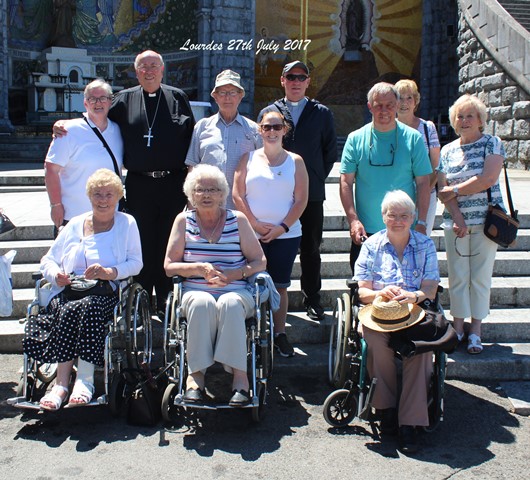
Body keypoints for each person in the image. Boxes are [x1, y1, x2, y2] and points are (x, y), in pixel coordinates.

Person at [54, 50, 195, 315]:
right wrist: (64, 123)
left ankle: (166, 299)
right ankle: (140, 300)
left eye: (154, 66)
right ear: (136, 71)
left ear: (163, 70)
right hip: (140, 185)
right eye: (143, 67)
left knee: (169, 240)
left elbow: (192, 141)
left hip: (173, 184)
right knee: (140, 241)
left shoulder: (177, 97)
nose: (149, 71)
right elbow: (96, 119)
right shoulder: (122, 100)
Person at [23, 169, 143, 410]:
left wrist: (110, 272)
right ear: (89, 197)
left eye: (109, 194)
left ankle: (75, 382)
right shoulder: (76, 223)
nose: (103, 199)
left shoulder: (126, 223)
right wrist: (55, 275)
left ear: (118, 196)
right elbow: (48, 259)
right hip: (69, 290)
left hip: (104, 292)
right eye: (97, 194)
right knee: (69, 307)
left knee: (84, 307)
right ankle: (67, 384)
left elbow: (136, 263)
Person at [164, 165, 266, 406]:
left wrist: (235, 274)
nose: (206, 195)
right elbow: (169, 265)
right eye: (200, 190)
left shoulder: (237, 220)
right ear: (191, 194)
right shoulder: (183, 221)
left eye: (213, 189)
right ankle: (195, 377)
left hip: (237, 289)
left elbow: (260, 260)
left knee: (229, 303)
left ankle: (240, 379)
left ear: (223, 194)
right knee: (202, 303)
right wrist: (199, 269)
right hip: (194, 290)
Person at [355, 190, 440, 454]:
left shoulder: (425, 245)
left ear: (413, 217)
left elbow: (431, 287)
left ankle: (410, 422)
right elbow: (362, 291)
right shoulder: (372, 245)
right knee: (375, 342)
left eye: (404, 215)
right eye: (393, 215)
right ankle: (386, 408)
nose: (398, 220)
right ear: (383, 217)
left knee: (422, 351)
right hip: (380, 314)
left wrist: (413, 295)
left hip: (414, 314)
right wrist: (380, 293)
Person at [258, 60, 337, 321]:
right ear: (282, 81)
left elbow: (329, 152)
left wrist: (312, 179)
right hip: (277, 196)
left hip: (310, 195)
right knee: (271, 245)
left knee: (311, 248)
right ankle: (267, 298)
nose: (295, 81)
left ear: (307, 82)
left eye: (301, 77)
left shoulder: (322, 112)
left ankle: (311, 297)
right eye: (290, 77)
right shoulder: (271, 112)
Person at [233, 111, 309, 358]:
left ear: (284, 130)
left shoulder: (295, 161)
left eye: (277, 126)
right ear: (260, 130)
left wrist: (282, 227)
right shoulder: (248, 158)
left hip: (285, 236)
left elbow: (301, 200)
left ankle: (279, 334)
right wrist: (253, 224)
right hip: (250, 235)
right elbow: (237, 194)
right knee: (247, 284)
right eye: (267, 127)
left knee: (280, 286)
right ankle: (249, 333)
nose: (272, 131)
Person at [340, 82, 432, 275]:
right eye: (378, 105)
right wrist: (353, 220)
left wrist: (422, 222)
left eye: (389, 105)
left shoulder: (413, 138)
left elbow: (424, 182)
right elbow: (346, 182)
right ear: (369, 107)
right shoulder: (355, 139)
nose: (384, 110)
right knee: (364, 288)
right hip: (367, 231)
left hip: (404, 228)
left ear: (397, 105)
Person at [437, 94, 505, 355]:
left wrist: (454, 190)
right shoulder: (447, 150)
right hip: (456, 224)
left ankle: (476, 330)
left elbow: (487, 178)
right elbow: (443, 191)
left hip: (487, 223)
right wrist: (458, 217)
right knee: (457, 278)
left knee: (479, 278)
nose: (464, 121)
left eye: (470, 116)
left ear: (480, 120)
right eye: (460, 116)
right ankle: (458, 328)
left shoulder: (492, 143)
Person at [45, 79, 123, 238]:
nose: (98, 103)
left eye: (102, 98)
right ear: (85, 103)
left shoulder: (118, 130)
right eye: (92, 99)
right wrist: (56, 205)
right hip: (74, 214)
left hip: (109, 215)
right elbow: (51, 169)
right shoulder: (68, 130)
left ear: (110, 101)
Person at [185, 69, 261, 208]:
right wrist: (191, 207)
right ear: (215, 96)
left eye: (232, 92)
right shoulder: (202, 127)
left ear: (240, 96)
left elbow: (262, 170)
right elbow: (192, 169)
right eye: (222, 92)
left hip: (242, 209)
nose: (227, 97)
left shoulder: (254, 130)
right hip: (206, 207)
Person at [395, 79, 441, 235]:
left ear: (416, 102)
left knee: (421, 241)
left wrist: (422, 192)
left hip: (426, 195)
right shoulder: (388, 128)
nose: (404, 102)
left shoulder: (428, 127)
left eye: (409, 98)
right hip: (397, 196)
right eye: (400, 97)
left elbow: (436, 165)